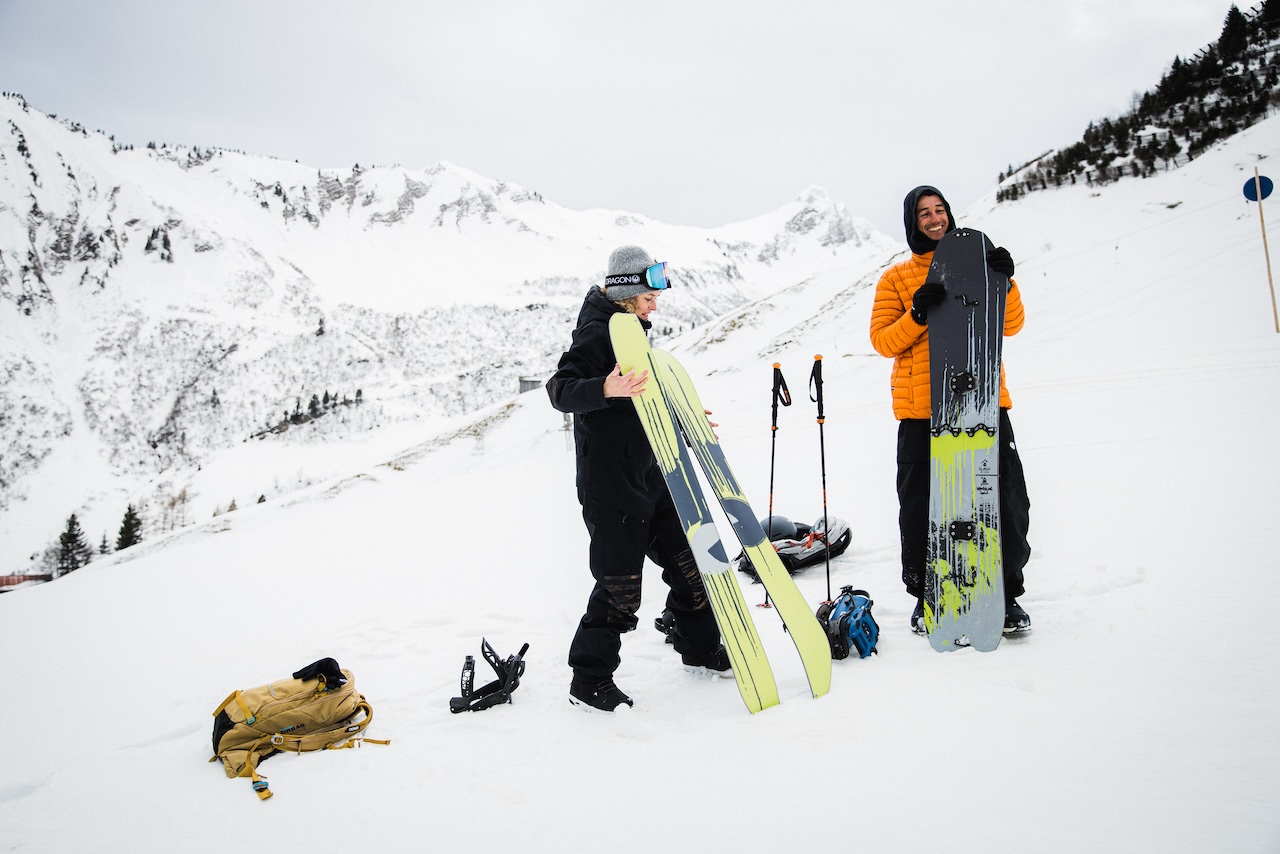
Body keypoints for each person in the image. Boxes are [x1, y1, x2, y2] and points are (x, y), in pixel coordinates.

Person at [546, 245, 731, 712]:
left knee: (692, 566)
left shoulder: (630, 330)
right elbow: (560, 390)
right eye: (649, 296)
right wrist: (602, 388)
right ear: (628, 293)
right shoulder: (597, 332)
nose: (656, 304)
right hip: (612, 488)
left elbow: (642, 400)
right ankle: (589, 679)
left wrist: (684, 420)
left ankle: (699, 646)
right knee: (620, 586)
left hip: (653, 474)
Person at [868, 186, 1033, 635]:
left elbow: (1011, 324)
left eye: (940, 210)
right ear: (912, 222)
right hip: (922, 412)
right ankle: (928, 597)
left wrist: (1007, 282)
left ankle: (1006, 596)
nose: (934, 218)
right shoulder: (897, 279)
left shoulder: (978, 262)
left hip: (982, 404)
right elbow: (883, 342)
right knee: (923, 508)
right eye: (924, 213)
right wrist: (917, 315)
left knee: (1004, 503)